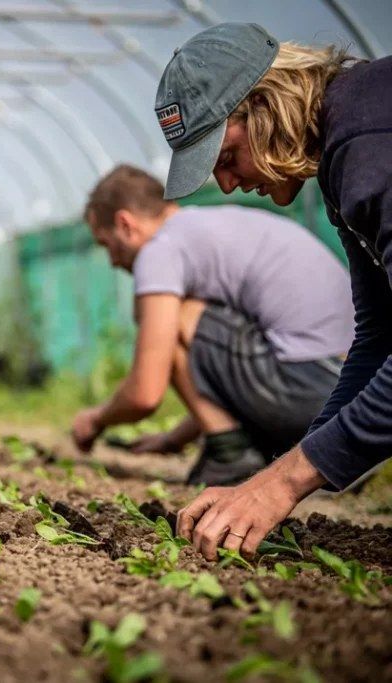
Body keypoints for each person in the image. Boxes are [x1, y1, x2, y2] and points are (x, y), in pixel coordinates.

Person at [153, 22, 389, 560]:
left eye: (226, 156)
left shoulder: (368, 143)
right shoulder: (337, 161)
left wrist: (280, 485)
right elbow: (378, 333)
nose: (229, 185)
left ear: (261, 105)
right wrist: (277, 478)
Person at [71, 165, 352, 486]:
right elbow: (225, 376)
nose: (113, 262)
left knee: (173, 316)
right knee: (185, 315)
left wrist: (95, 420)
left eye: (107, 245)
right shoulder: (209, 226)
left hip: (311, 392)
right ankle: (233, 444)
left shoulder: (161, 250)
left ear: (125, 224)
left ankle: (230, 454)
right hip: (351, 401)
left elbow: (145, 395)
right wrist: (175, 439)